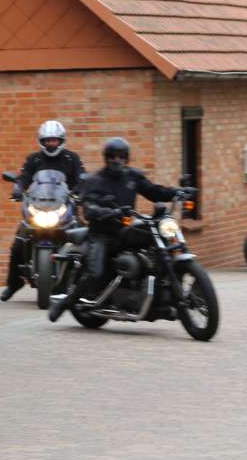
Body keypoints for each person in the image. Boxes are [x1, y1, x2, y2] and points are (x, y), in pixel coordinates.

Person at [48, 137, 188, 322]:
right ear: (106, 158)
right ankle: (66, 302)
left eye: (121, 156)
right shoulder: (95, 180)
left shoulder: (133, 176)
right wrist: (110, 211)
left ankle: (164, 299)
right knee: (95, 273)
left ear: (127, 158)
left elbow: (154, 191)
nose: (117, 160)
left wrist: (178, 192)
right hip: (101, 233)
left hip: (125, 229)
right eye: (113, 156)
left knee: (156, 249)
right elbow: (89, 209)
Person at [1, 120, 84, 300]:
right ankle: (13, 283)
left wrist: (81, 192)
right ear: (42, 141)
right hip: (40, 207)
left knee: (83, 240)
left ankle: (83, 285)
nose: (51, 144)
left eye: (54, 140)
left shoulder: (72, 158)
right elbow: (24, 178)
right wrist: (18, 188)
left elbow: (81, 179)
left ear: (61, 140)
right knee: (19, 241)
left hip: (65, 208)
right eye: (47, 141)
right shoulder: (34, 159)